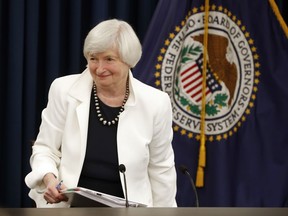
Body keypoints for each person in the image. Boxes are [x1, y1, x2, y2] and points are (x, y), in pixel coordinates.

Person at [25, 19, 177, 208]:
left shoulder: (156, 103)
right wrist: (49, 178)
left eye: (109, 59)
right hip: (69, 207)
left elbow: (161, 171)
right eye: (93, 58)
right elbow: (45, 149)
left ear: (128, 61)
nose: (99, 68)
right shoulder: (63, 90)